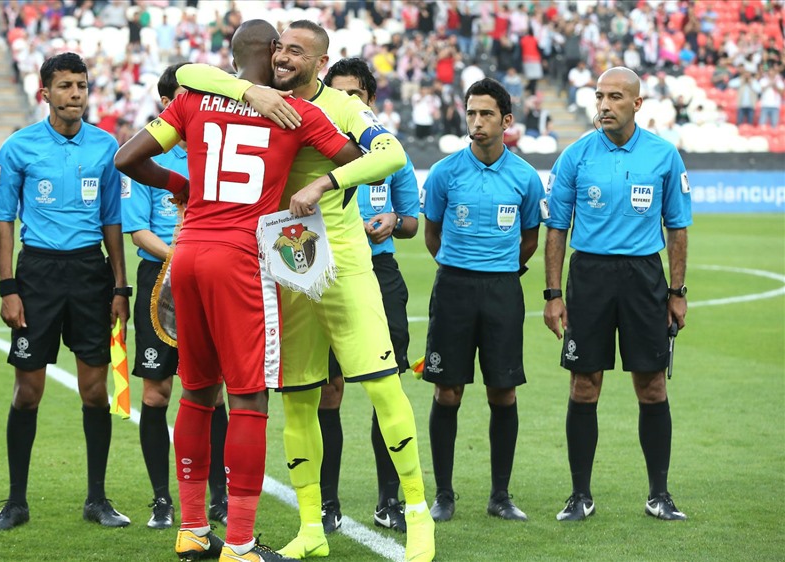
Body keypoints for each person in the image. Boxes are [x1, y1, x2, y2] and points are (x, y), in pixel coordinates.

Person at [176, 19, 436, 562]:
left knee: (383, 387)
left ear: (320, 63)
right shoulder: (258, 100)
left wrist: (325, 181)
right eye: (280, 48)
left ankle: (417, 517)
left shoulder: (339, 107)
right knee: (297, 400)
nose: (283, 57)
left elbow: (392, 155)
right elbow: (189, 73)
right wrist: (247, 89)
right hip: (285, 267)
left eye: (296, 51)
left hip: (343, 264)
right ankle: (311, 526)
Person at [114, 20, 374, 562]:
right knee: (249, 397)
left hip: (187, 253)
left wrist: (181, 185)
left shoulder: (191, 100)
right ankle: (239, 543)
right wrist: (324, 174)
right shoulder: (294, 112)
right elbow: (359, 164)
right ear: (274, 51)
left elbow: (127, 158)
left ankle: (192, 530)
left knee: (196, 392)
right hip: (241, 260)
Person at [0, 52, 131, 531]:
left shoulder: (105, 147)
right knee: (28, 391)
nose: (75, 94)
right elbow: (3, 221)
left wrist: (120, 286)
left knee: (95, 391)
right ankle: (15, 502)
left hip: (90, 273)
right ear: (44, 93)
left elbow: (113, 221)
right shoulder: (18, 147)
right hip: (38, 275)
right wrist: (8, 288)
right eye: (66, 86)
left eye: (81, 86)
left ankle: (97, 499)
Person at [543, 66, 691, 522]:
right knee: (584, 384)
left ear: (637, 103)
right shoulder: (575, 156)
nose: (604, 105)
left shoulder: (664, 155)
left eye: (615, 97)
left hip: (644, 277)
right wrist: (553, 293)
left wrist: (677, 291)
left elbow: (677, 227)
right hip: (589, 276)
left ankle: (659, 495)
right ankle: (579, 495)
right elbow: (556, 228)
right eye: (599, 96)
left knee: (652, 384)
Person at [421, 78, 543, 524]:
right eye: (471, 113)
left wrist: (499, 270)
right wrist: (463, 268)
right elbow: (432, 235)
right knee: (447, 390)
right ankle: (444, 495)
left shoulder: (526, 177)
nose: (476, 121)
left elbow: (530, 239)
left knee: (503, 391)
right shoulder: (444, 172)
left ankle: (500, 496)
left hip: (503, 291)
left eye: (486, 113)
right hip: (453, 288)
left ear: (506, 120)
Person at [120, 62, 229, 531]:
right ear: (168, 104)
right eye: (185, 97)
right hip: (160, 278)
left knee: (212, 389)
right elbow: (138, 231)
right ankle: (162, 500)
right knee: (157, 390)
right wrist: (183, 256)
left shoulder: (219, 147)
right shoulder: (147, 154)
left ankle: (220, 496)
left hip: (210, 278)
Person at [317, 57, 420, 535]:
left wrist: (393, 221)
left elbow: (412, 222)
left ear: (370, 100)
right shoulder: (314, 147)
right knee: (328, 390)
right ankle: (327, 502)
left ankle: (388, 500)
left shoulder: (388, 151)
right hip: (327, 273)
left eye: (353, 95)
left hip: (380, 272)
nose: (344, 102)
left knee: (387, 386)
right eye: (336, 93)